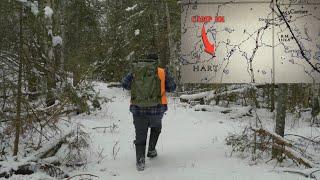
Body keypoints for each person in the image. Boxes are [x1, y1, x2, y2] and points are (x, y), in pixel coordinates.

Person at [121, 53, 176, 171]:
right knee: (156, 128)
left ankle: (140, 162)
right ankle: (151, 150)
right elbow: (172, 87)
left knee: (140, 135)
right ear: (156, 61)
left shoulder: (136, 70)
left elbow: (124, 84)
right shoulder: (162, 71)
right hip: (157, 109)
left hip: (138, 109)